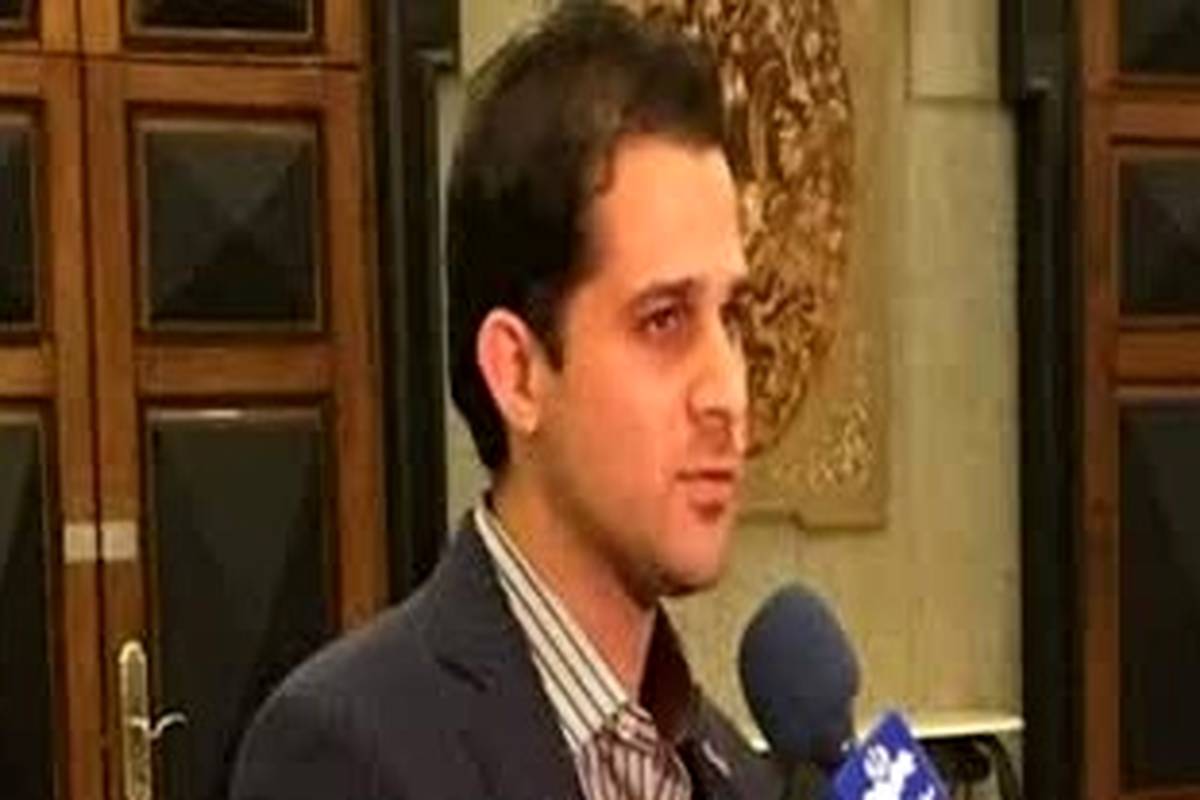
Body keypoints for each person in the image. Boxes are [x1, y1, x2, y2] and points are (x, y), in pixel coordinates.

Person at [230, 2, 781, 798]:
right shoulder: (346, 754)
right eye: (664, 320)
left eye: (730, 316)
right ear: (518, 372)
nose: (726, 391)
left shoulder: (735, 774)